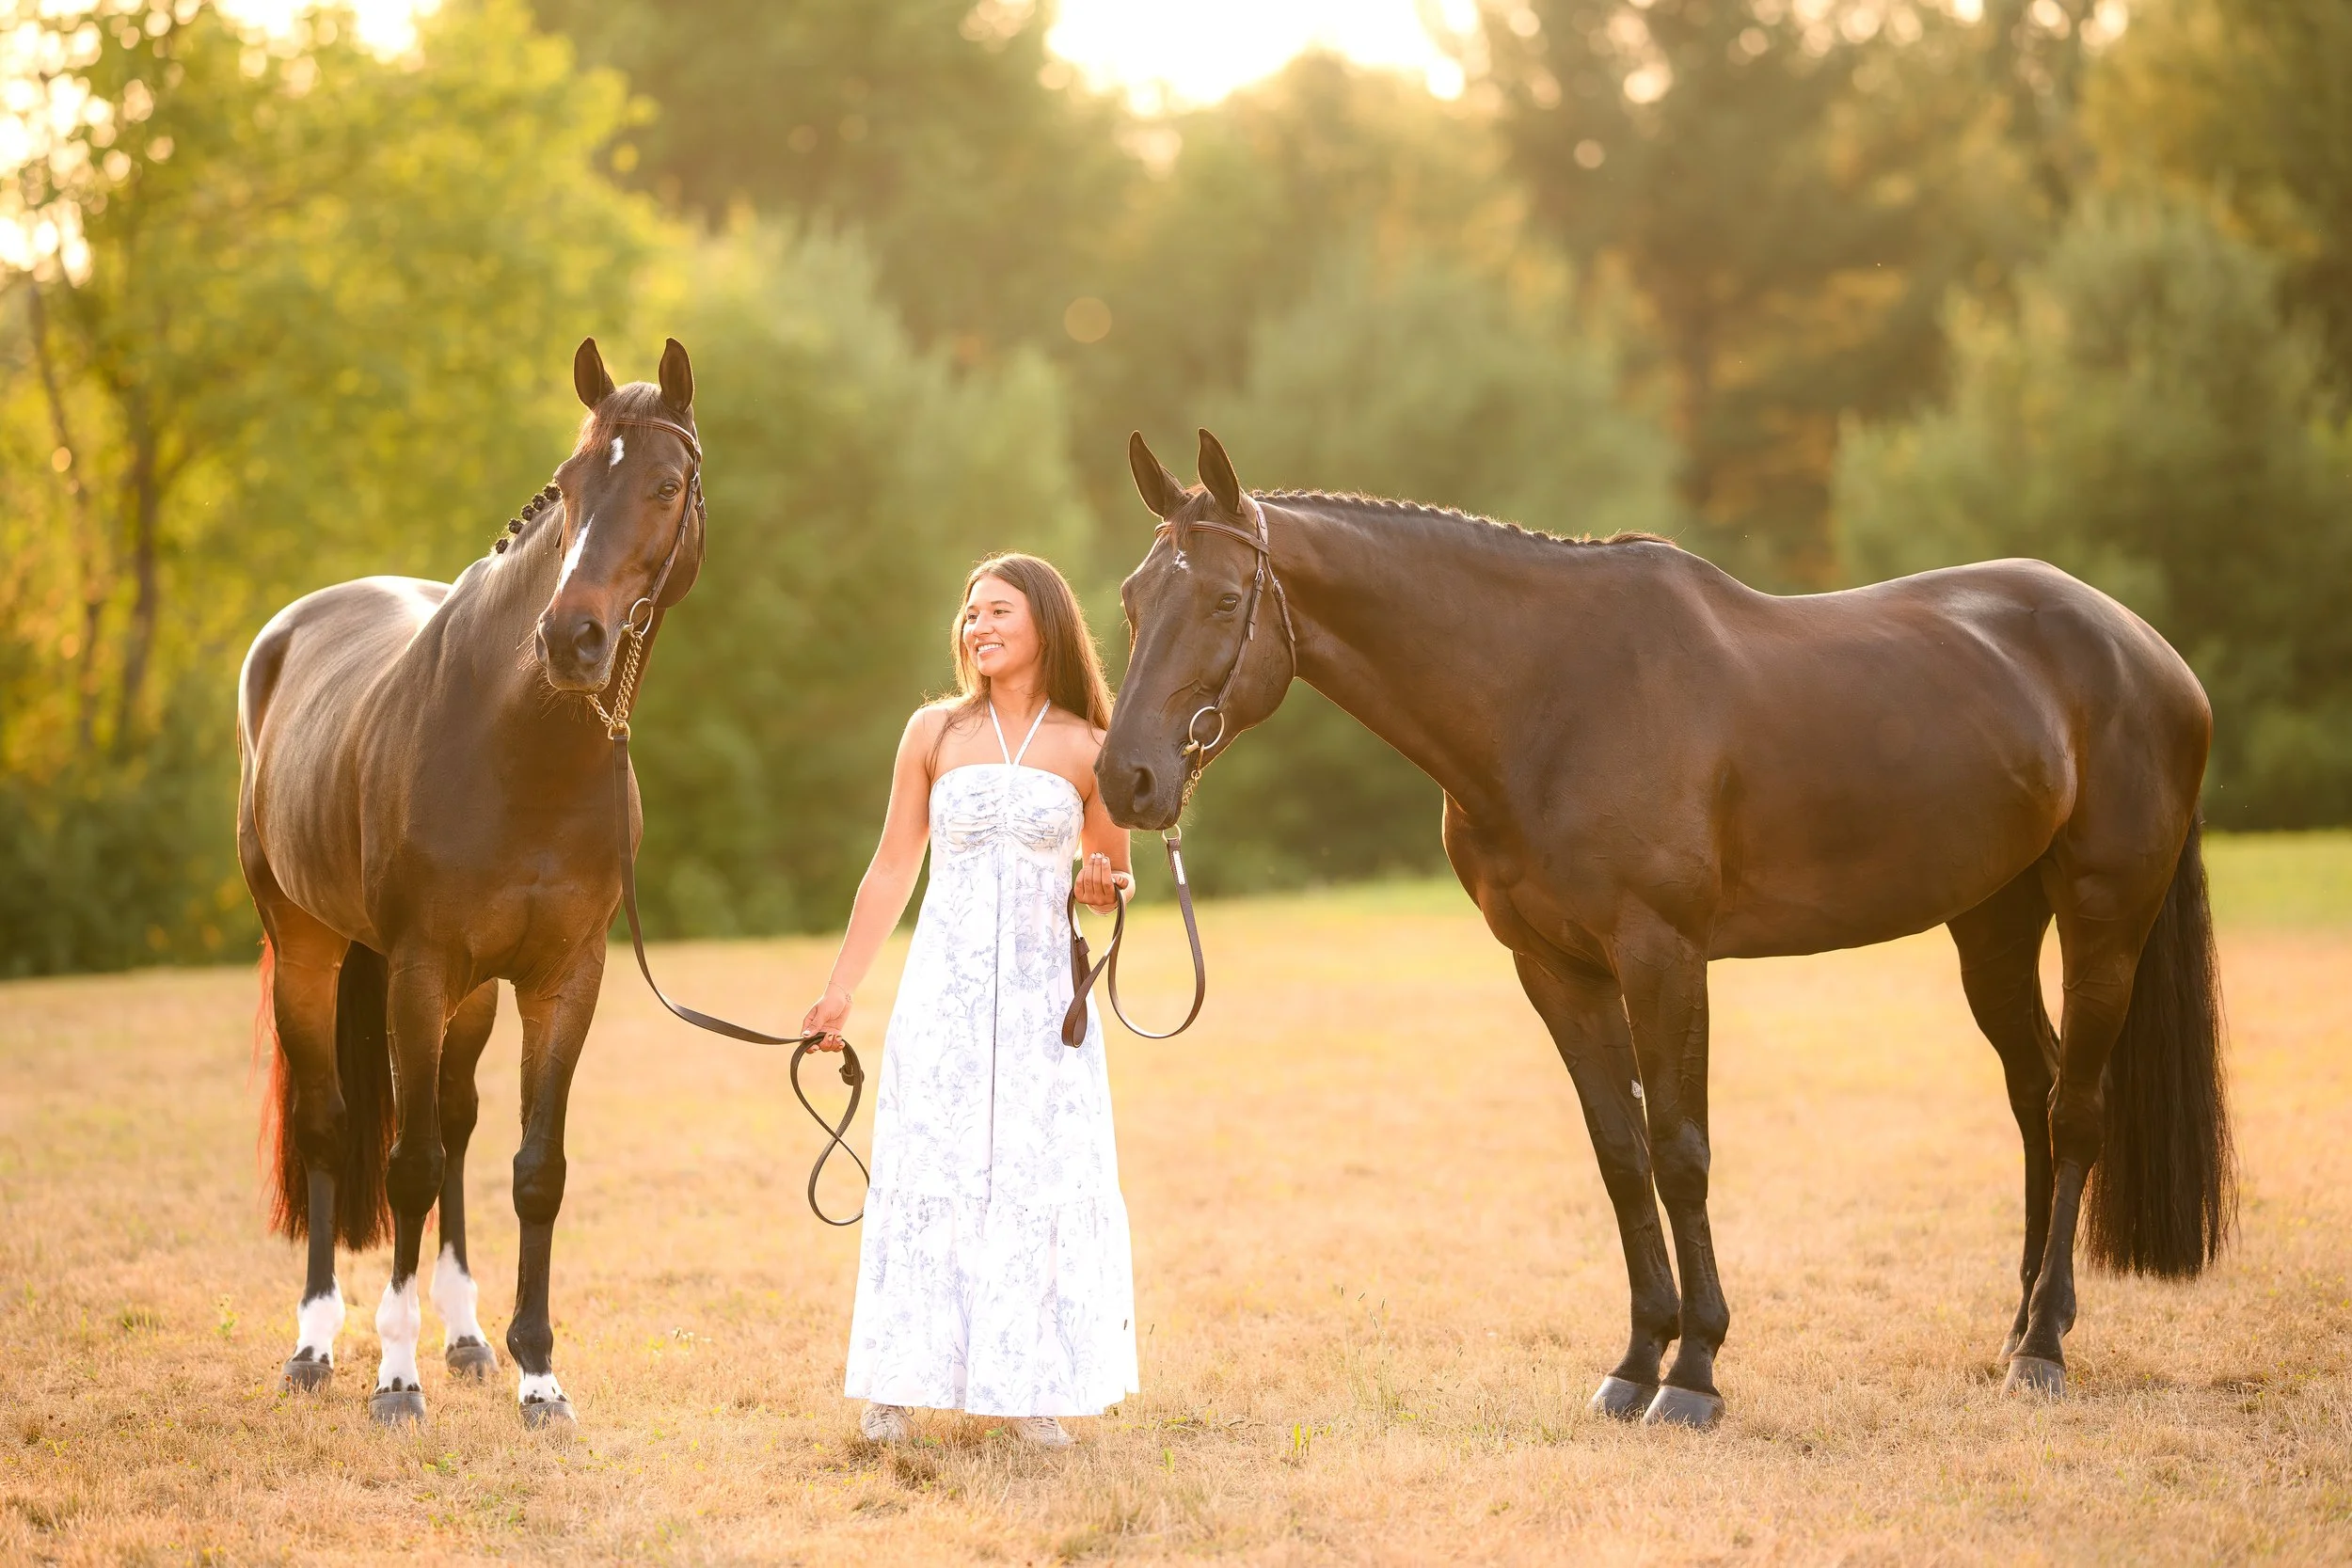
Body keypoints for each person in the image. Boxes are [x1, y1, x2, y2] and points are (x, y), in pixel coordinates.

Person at [803, 553, 1137, 1449]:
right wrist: (840, 989)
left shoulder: (1091, 745)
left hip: (1044, 1002)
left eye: (998, 611)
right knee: (928, 1167)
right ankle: (896, 1385)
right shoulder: (934, 731)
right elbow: (891, 867)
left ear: (1045, 624)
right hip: (942, 994)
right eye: (970, 612)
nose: (978, 626)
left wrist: (1102, 884)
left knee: (1037, 1173)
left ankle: (1031, 1386)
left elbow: (1113, 875)